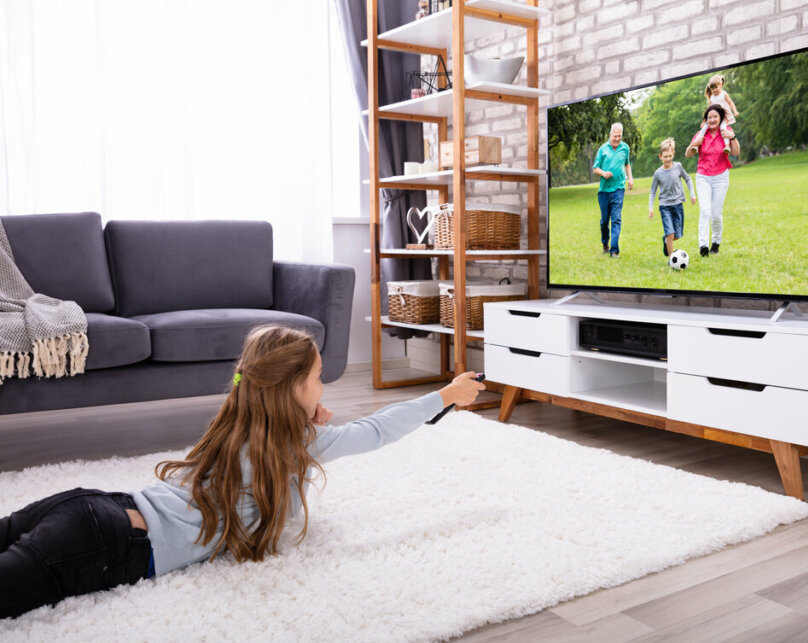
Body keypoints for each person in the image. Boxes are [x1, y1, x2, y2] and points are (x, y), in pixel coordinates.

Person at [0, 325, 486, 620]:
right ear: (294, 387)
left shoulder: (232, 422)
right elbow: (377, 431)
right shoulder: (294, 447)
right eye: (318, 378)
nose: (324, 385)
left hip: (94, 504)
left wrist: (302, 414)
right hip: (108, 546)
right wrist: (445, 395)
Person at [685, 105, 739, 258]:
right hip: (703, 176)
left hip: (721, 177)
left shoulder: (726, 132)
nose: (712, 120)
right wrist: (694, 144)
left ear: (720, 118)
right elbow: (688, 154)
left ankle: (716, 242)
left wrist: (732, 137)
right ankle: (703, 245)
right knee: (705, 211)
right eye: (709, 117)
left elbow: (736, 152)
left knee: (716, 214)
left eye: (715, 117)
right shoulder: (701, 134)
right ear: (706, 120)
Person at [648, 138, 696, 258]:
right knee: (670, 233)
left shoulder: (678, 167)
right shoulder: (658, 173)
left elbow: (688, 179)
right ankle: (671, 259)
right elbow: (653, 192)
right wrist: (651, 208)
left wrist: (692, 194)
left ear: (673, 153)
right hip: (665, 207)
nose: (668, 159)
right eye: (665, 156)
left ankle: (665, 240)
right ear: (660, 156)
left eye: (670, 156)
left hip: (678, 205)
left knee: (677, 235)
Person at [592, 122, 633, 259]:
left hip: (618, 188)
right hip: (604, 191)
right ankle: (605, 244)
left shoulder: (625, 148)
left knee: (616, 219)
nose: (617, 139)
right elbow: (595, 168)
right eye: (615, 136)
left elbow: (627, 164)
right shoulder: (603, 149)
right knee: (605, 221)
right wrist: (603, 173)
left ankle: (614, 250)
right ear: (610, 135)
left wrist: (630, 178)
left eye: (620, 136)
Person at [688, 74, 740, 155]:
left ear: (721, 85)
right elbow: (708, 111)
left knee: (723, 128)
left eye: (716, 87)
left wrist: (735, 111)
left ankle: (727, 146)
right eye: (712, 88)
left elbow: (730, 102)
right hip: (714, 117)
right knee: (704, 128)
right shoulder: (712, 98)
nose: (715, 90)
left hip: (723, 116)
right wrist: (704, 121)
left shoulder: (724, 94)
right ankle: (696, 146)